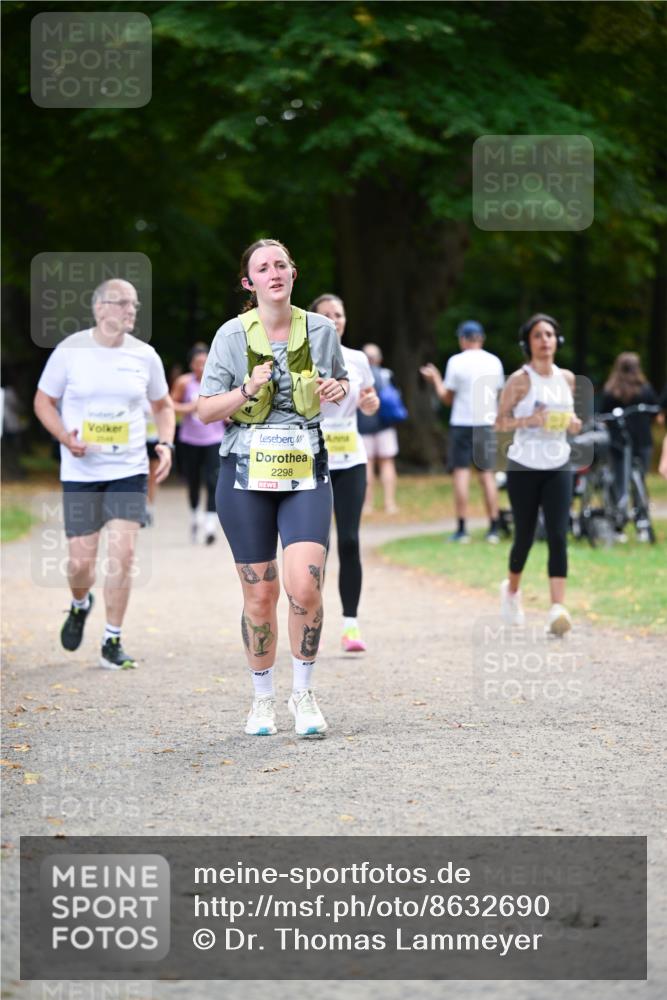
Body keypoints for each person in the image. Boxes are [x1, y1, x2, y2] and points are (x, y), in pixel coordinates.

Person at [197, 239, 348, 737]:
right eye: (263, 268)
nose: (274, 272)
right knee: (259, 595)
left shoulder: (321, 329)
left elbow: (341, 383)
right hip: (244, 476)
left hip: (305, 471)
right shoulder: (230, 337)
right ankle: (262, 698)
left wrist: (334, 389)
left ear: (293, 272)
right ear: (250, 283)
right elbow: (205, 410)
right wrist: (248, 390)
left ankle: (302, 694)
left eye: (281, 264)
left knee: (304, 584)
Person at [34, 279, 175, 669]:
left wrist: (165, 443)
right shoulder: (70, 351)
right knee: (80, 564)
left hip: (128, 469)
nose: (132, 310)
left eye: (135, 304)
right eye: (123, 303)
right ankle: (80, 604)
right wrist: (64, 436)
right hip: (81, 470)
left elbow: (164, 406)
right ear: (100, 309)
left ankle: (112, 640)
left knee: (123, 554)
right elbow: (43, 401)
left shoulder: (145, 356)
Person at [495, 313, 582, 636]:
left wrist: (573, 424)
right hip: (524, 466)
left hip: (559, 463)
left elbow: (572, 418)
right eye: (538, 335)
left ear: (557, 340)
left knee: (559, 534)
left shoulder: (568, 379)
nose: (545, 340)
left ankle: (557, 609)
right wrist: (527, 421)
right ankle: (512, 590)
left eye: (549, 334)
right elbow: (499, 422)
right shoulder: (520, 379)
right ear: (528, 343)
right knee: (525, 537)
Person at [310, 294, 380, 653]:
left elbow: (369, 399)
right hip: (311, 460)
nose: (335, 320)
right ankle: (309, 620)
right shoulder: (301, 358)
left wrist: (370, 403)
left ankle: (350, 625)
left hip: (351, 458)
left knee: (349, 540)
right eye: (326, 315)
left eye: (339, 314)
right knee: (314, 547)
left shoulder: (358, 359)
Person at [420, 320, 504, 543]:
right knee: (487, 475)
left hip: (462, 423)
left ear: (463, 339)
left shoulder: (456, 362)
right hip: (486, 423)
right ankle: (494, 528)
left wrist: (436, 379)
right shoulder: (494, 361)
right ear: (481, 338)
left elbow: (447, 398)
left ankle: (462, 528)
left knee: (461, 474)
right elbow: (498, 394)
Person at [170, 344, 226, 544]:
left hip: (214, 439)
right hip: (190, 441)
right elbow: (170, 405)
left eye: (205, 362)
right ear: (191, 364)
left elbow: (227, 407)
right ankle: (195, 516)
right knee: (193, 482)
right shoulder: (184, 383)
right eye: (197, 363)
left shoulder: (219, 381)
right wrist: (190, 407)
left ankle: (210, 525)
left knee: (214, 481)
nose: (201, 367)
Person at [600, 353, 659, 540]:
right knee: (639, 482)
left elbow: (603, 416)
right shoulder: (645, 389)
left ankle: (619, 526)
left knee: (620, 483)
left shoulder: (611, 390)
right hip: (643, 441)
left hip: (619, 442)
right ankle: (642, 523)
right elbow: (655, 413)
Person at [358, 343, 400, 514]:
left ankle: (368, 506)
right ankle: (390, 504)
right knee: (387, 463)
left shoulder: (357, 376)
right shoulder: (386, 374)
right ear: (379, 359)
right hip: (385, 426)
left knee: (367, 465)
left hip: (363, 427)